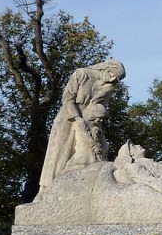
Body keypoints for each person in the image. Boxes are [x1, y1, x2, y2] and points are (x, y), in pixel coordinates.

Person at [36, 59, 126, 201]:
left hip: (90, 120)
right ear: (107, 69)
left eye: (117, 79)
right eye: (113, 75)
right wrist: (77, 118)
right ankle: (44, 191)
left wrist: (93, 122)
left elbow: (100, 108)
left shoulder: (109, 86)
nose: (113, 80)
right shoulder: (82, 74)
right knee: (58, 154)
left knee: (94, 154)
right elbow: (67, 99)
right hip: (69, 117)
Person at [63, 103, 109, 174]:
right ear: (94, 115)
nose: (101, 120)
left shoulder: (97, 126)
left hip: (97, 154)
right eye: (99, 117)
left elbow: (102, 138)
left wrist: (104, 148)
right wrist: (95, 146)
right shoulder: (82, 123)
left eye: (102, 118)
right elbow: (85, 136)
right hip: (84, 154)